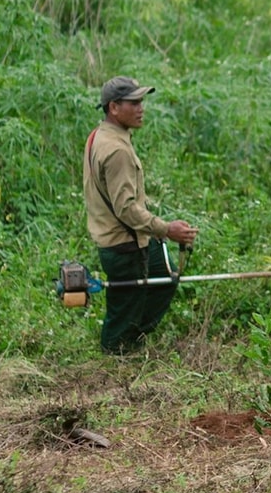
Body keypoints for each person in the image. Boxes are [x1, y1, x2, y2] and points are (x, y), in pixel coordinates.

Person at [84, 76, 199, 355]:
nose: (141, 108)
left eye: (141, 101)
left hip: (132, 237)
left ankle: (132, 341)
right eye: (133, 103)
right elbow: (125, 208)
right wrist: (165, 228)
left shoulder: (101, 135)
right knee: (123, 310)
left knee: (164, 278)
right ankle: (116, 354)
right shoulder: (116, 149)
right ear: (113, 107)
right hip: (125, 243)